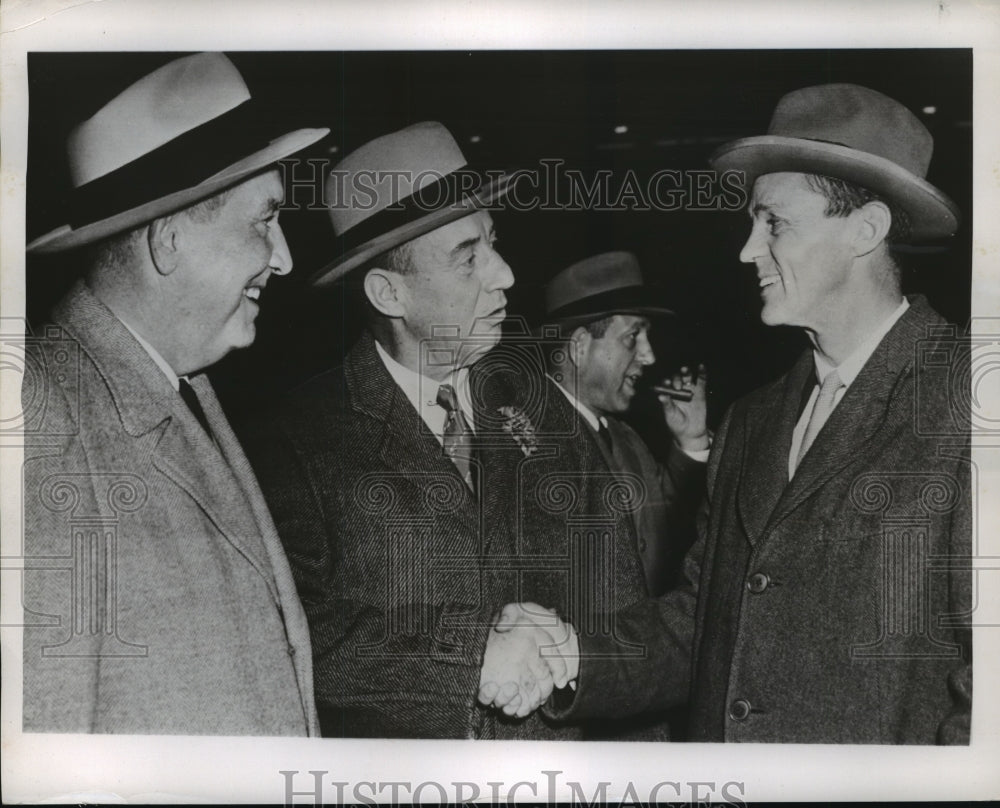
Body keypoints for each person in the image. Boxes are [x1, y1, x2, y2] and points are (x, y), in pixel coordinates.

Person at [491, 83, 973, 744]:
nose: (747, 250)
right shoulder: (752, 421)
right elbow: (704, 623)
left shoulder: (968, 402)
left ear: (866, 230)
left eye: (774, 223)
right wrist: (567, 656)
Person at [21, 53, 329, 735]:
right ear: (168, 241)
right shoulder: (38, 424)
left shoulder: (186, 387)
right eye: (264, 220)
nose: (284, 258)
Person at [245, 121, 577, 739]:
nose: (505, 274)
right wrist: (469, 658)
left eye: (494, 242)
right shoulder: (294, 444)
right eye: (468, 258)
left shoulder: (544, 412)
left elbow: (618, 607)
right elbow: (291, 635)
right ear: (388, 294)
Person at [541, 251, 709, 596]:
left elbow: (662, 521)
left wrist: (691, 440)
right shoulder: (530, 441)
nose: (649, 356)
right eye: (633, 337)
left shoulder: (624, 437)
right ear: (579, 346)